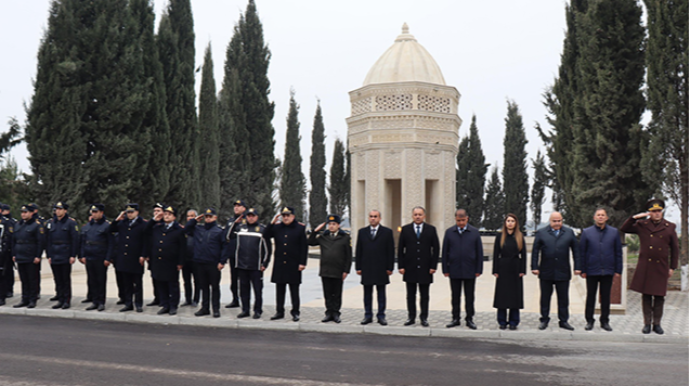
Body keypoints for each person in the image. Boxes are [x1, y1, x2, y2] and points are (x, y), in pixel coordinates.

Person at [620, 199, 679, 335]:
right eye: (653, 211)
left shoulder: (670, 226)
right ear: (649, 213)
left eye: (659, 211)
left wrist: (672, 267)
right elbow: (625, 228)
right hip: (646, 265)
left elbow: (675, 249)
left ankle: (657, 324)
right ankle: (647, 323)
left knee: (659, 297)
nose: (657, 214)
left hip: (661, 266)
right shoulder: (642, 225)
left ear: (662, 212)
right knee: (646, 296)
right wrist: (634, 217)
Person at [531, 212, 581, 331]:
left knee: (563, 298)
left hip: (563, 271)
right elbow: (535, 251)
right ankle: (544, 319)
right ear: (550, 221)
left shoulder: (569, 232)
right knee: (545, 297)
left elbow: (576, 251)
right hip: (546, 271)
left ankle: (563, 321)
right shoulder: (542, 233)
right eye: (555, 221)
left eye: (559, 221)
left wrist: (577, 267)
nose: (557, 223)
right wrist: (534, 267)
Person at [580, 207, 623, 332]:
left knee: (605, 297)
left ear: (606, 218)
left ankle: (605, 321)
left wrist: (618, 270)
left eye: (603, 215)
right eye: (598, 215)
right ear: (594, 217)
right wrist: (582, 269)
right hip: (592, 270)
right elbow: (582, 252)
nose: (600, 217)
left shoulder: (614, 232)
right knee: (591, 296)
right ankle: (589, 321)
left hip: (608, 270)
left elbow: (618, 253)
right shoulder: (587, 232)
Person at [441, 209, 483, 329]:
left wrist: (478, 269)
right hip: (454, 269)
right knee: (455, 296)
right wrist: (445, 269)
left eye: (463, 220)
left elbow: (479, 252)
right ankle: (455, 318)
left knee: (469, 296)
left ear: (467, 219)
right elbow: (445, 252)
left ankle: (469, 319)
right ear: (455, 219)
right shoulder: (449, 232)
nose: (460, 223)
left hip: (470, 269)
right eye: (458, 220)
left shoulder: (474, 232)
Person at [264, 207, 308, 322]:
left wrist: (302, 262)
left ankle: (295, 312)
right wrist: (272, 223)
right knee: (280, 290)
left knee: (294, 290)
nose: (286, 218)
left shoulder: (299, 228)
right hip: (280, 264)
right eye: (283, 216)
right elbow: (266, 235)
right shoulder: (277, 228)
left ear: (293, 216)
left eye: (288, 215)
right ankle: (279, 311)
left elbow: (304, 247)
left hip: (294, 264)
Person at [398, 207, 439, 327]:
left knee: (424, 295)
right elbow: (400, 249)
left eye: (420, 214)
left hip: (426, 268)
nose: (417, 216)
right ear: (412, 216)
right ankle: (411, 317)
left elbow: (436, 249)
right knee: (410, 295)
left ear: (424, 216)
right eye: (415, 214)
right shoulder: (405, 230)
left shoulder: (431, 230)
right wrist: (401, 266)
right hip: (409, 267)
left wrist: (433, 266)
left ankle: (424, 317)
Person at [308, 214, 352, 323]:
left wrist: (346, 271)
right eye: (329, 224)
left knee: (337, 294)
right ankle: (328, 313)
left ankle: (336, 313)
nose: (331, 226)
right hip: (326, 270)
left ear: (338, 225)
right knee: (327, 294)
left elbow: (348, 256)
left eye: (334, 224)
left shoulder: (345, 237)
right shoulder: (323, 237)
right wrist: (315, 231)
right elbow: (310, 242)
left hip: (338, 270)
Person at [185, 208, 228, 318]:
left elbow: (224, 247)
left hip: (213, 263)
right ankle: (205, 308)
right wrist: (194, 220)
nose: (208, 219)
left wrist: (222, 261)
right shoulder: (198, 229)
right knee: (203, 286)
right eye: (206, 217)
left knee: (214, 287)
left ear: (215, 217)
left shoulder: (219, 231)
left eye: (210, 217)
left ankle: (216, 308)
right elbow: (186, 229)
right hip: (200, 262)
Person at [355, 210, 394, 326]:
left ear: (380, 218)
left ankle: (381, 316)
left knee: (381, 294)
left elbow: (390, 251)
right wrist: (358, 267)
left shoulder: (387, 232)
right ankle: (368, 315)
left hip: (381, 268)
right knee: (367, 294)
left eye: (375, 217)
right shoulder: (362, 232)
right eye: (371, 216)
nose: (373, 218)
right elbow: (359, 251)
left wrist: (390, 267)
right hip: (367, 268)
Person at [145, 205, 185, 316]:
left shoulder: (178, 230)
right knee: (160, 283)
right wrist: (154, 220)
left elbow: (182, 248)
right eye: (165, 214)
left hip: (171, 262)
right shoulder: (157, 227)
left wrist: (181, 262)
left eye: (169, 215)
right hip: (158, 261)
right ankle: (165, 305)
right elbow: (145, 230)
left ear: (174, 217)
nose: (166, 216)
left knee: (172, 285)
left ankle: (173, 306)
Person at [233, 208, 271, 319]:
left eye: (252, 216)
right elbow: (228, 236)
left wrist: (265, 263)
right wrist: (235, 223)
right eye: (248, 216)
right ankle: (245, 310)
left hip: (256, 266)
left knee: (257, 290)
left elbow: (268, 249)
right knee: (244, 290)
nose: (250, 217)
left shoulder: (262, 230)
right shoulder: (240, 228)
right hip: (242, 265)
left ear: (256, 217)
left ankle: (258, 310)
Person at [110, 204, 147, 312]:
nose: (129, 214)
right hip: (124, 258)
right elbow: (111, 229)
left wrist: (143, 255)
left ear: (137, 212)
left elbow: (145, 242)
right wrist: (118, 218)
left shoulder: (142, 224)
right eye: (128, 212)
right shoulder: (122, 223)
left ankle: (138, 304)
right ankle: (128, 303)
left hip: (136, 258)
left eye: (132, 212)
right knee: (127, 283)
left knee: (137, 283)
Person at [492, 213, 526, 330]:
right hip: (503, 268)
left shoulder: (520, 236)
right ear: (505, 223)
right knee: (502, 296)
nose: (510, 223)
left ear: (516, 223)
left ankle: (513, 321)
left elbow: (524, 254)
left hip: (516, 269)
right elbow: (496, 254)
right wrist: (495, 270)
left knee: (514, 296)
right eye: (508, 221)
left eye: (512, 221)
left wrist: (522, 270)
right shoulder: (500, 236)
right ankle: (502, 321)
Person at [45, 202, 79, 309]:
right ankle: (60, 299)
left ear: (65, 211)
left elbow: (75, 240)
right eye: (56, 209)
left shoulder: (70, 223)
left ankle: (66, 300)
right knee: (57, 279)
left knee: (65, 279)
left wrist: (73, 255)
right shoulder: (51, 223)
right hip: (54, 254)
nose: (57, 211)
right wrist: (49, 255)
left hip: (65, 253)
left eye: (60, 209)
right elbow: (48, 240)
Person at [80, 204, 114, 311]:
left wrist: (108, 258)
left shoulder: (106, 226)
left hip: (100, 257)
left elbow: (111, 244)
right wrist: (82, 255)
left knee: (100, 281)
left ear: (101, 213)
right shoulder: (87, 226)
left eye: (96, 212)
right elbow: (83, 242)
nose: (94, 214)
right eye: (92, 212)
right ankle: (94, 301)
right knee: (91, 280)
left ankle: (101, 302)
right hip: (89, 257)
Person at [11, 204, 46, 308]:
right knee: (24, 279)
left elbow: (40, 242)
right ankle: (24, 299)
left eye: (26, 212)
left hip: (31, 256)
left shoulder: (36, 225)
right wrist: (14, 254)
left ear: (31, 213)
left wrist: (38, 256)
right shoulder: (18, 225)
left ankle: (32, 299)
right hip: (20, 255)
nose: (23, 214)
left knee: (32, 279)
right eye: (22, 212)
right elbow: (13, 241)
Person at [224, 199, 247, 308]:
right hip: (233, 255)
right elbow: (226, 236)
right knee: (234, 280)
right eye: (235, 206)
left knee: (243, 281)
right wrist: (234, 224)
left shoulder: (247, 220)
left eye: (239, 206)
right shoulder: (231, 220)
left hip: (244, 256)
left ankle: (245, 301)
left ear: (244, 208)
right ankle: (235, 299)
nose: (236, 208)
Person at [146, 203, 165, 307]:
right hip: (153, 256)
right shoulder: (151, 224)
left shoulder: (166, 223)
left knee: (164, 279)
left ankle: (164, 299)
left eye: (158, 211)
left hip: (164, 256)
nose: (156, 213)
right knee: (155, 278)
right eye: (155, 211)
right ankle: (157, 298)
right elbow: (146, 234)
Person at [181, 209, 199, 307]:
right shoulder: (185, 230)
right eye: (188, 216)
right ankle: (188, 299)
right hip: (186, 259)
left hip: (195, 259)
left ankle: (196, 299)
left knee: (197, 281)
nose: (190, 218)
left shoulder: (199, 229)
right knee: (186, 281)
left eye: (192, 216)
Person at [1, 203, 16, 299]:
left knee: (6, 273)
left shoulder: (7, 222)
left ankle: (6, 291)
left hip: (5, 252)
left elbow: (10, 238)